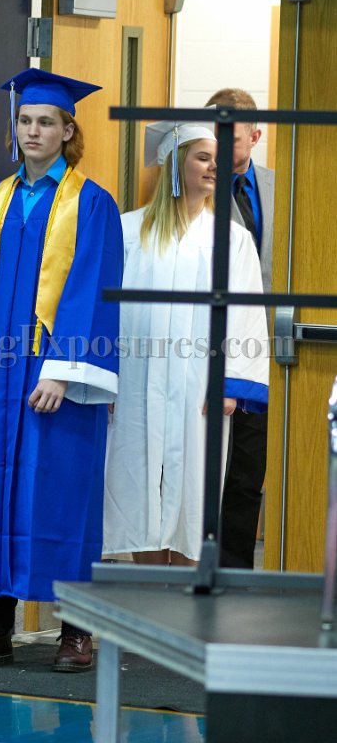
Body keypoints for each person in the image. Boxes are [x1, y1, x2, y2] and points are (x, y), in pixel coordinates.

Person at [0, 68, 123, 672]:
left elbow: (92, 291)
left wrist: (63, 370)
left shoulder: (92, 204)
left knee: (62, 495)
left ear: (68, 130)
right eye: (25, 120)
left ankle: (76, 633)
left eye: (46, 121)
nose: (33, 131)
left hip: (54, 376)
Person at [102, 121, 269, 565]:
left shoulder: (232, 240)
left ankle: (183, 597)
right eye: (203, 158)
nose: (215, 167)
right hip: (135, 379)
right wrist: (105, 376)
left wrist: (232, 384)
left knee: (195, 493)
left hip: (200, 385)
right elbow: (103, 309)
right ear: (176, 164)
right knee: (138, 487)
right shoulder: (125, 232)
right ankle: (152, 593)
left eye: (218, 159)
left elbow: (246, 315)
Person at [206, 88, 275, 569]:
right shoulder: (192, 185)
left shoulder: (281, 186)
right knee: (206, 469)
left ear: (255, 135)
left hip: (272, 350)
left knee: (249, 471)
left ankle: (235, 574)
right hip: (210, 344)